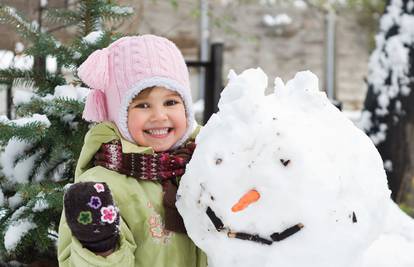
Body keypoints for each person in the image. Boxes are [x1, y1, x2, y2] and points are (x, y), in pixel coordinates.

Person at [57, 34, 207, 267]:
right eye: (143, 105)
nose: (159, 116)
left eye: (171, 102)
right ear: (119, 113)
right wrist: (101, 248)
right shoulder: (102, 186)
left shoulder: (209, 164)